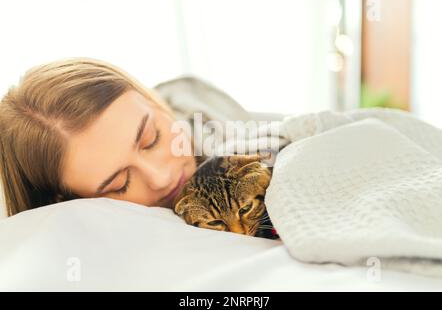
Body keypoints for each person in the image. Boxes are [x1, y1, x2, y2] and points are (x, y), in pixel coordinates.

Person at [0, 57, 255, 217]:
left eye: (151, 139)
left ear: (152, 100)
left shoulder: (196, 102)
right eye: (119, 184)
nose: (161, 178)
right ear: (66, 200)